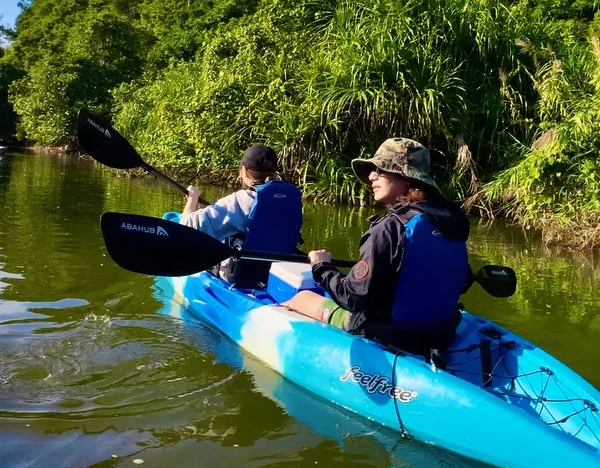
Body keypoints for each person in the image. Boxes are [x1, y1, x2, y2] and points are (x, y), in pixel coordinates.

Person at [285, 138, 473, 353]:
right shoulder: (452, 222)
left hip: (390, 335)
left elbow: (354, 298)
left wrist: (321, 267)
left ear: (405, 179)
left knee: (301, 298)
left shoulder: (389, 228)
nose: (371, 176)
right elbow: (462, 281)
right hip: (442, 333)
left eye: (381, 170)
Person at [177, 145, 303, 289]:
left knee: (208, 250)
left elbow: (186, 228)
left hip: (244, 274)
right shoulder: (291, 197)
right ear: (274, 172)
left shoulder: (238, 201)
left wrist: (192, 199)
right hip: (279, 272)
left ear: (244, 171)